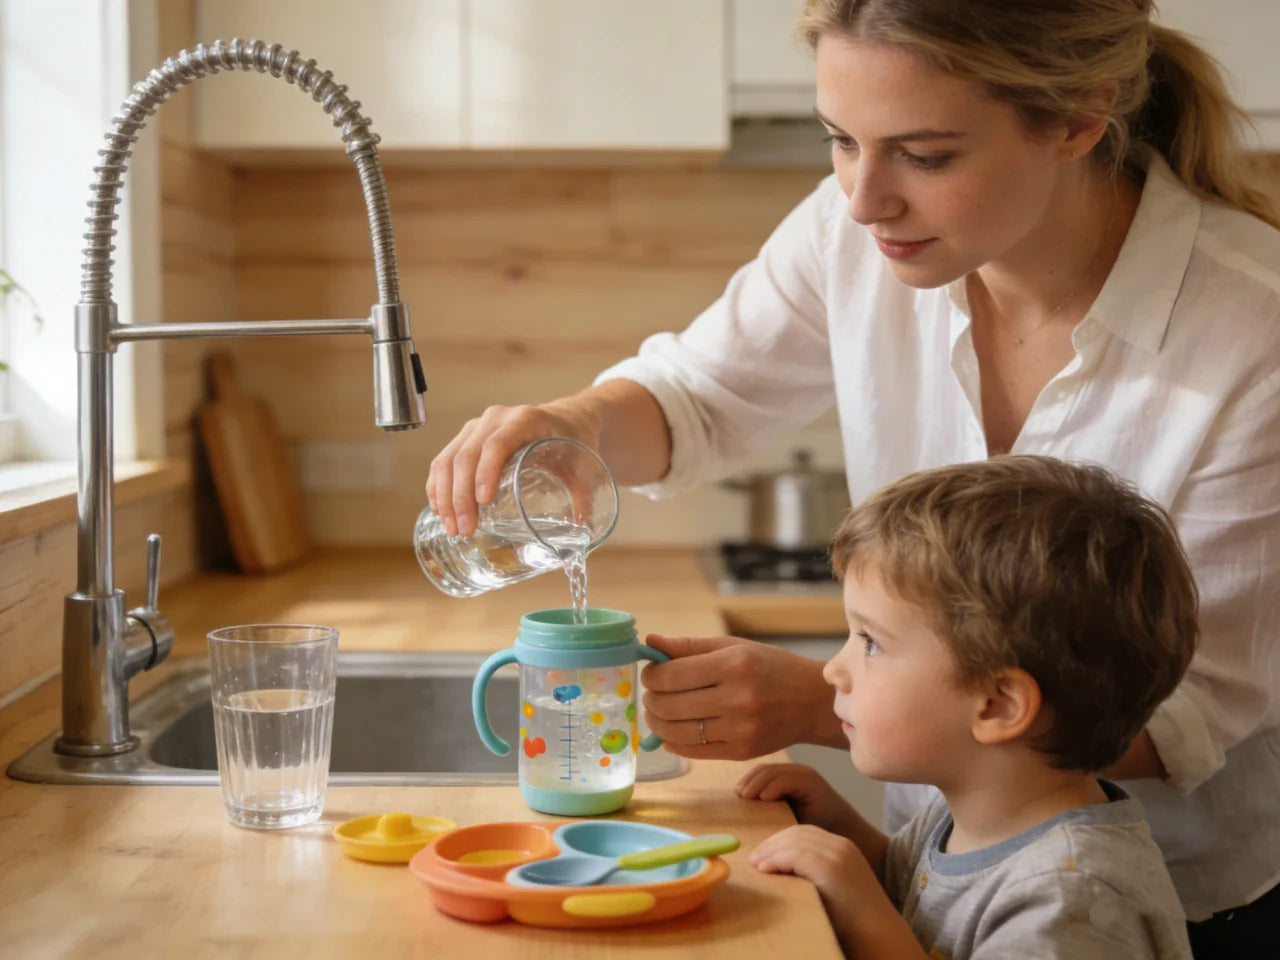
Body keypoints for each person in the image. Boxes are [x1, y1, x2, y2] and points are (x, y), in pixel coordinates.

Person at [425, 0, 1280, 951]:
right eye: (839, 140)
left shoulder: (1256, 332)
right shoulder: (854, 236)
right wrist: (576, 424)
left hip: (1176, 908)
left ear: (1080, 120)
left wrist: (828, 702)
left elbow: (1190, 716)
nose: (865, 199)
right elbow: (695, 397)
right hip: (946, 871)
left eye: (925, 155)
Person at [738, 455, 1197, 959]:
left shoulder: (1073, 902)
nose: (832, 670)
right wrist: (836, 823)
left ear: (997, 706)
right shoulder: (972, 809)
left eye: (871, 642)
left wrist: (862, 915)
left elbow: (894, 925)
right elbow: (916, 895)